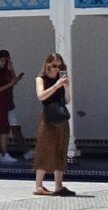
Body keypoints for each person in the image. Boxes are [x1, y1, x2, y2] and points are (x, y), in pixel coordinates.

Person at [33, 53, 77, 196]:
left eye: (60, 66)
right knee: (44, 149)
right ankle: (38, 185)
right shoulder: (41, 79)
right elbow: (41, 96)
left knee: (60, 149)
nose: (56, 69)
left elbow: (67, 100)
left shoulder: (60, 78)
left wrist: (66, 87)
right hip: (47, 118)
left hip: (61, 117)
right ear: (47, 65)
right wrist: (56, 86)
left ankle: (58, 185)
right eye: (53, 66)